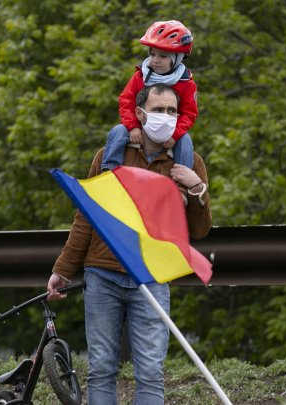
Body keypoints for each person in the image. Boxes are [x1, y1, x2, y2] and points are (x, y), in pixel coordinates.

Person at [47, 83, 211, 405]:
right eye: (158, 109)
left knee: (150, 372)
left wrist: (196, 189)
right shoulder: (110, 155)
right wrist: (63, 269)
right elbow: (86, 217)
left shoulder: (189, 161)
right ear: (140, 113)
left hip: (151, 278)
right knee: (101, 368)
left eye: (172, 111)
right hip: (102, 275)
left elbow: (199, 231)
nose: (165, 117)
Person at [101, 20, 198, 174]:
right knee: (118, 131)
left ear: (178, 58)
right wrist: (132, 127)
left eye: (163, 56)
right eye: (152, 54)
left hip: (171, 131)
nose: (155, 60)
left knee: (185, 141)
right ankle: (109, 173)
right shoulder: (140, 76)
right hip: (139, 126)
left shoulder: (187, 83)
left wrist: (175, 135)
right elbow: (126, 101)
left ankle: (183, 183)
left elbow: (190, 113)